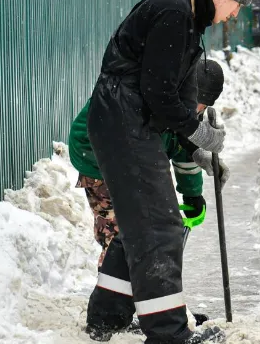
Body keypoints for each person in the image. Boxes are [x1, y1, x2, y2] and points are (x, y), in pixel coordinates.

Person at [83, 0, 256, 344]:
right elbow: (158, 92)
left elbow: (179, 93)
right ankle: (168, 333)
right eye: (237, 4)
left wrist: (198, 142)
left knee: (138, 224)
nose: (234, 14)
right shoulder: (174, 11)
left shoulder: (187, 18)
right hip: (124, 120)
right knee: (160, 228)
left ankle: (106, 318)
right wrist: (195, 129)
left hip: (126, 120)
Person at [69, 59, 229, 265]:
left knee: (147, 234)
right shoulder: (150, 91)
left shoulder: (182, 105)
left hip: (134, 158)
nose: (199, 108)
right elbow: (151, 142)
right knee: (121, 237)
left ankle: (141, 288)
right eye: (198, 100)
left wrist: (192, 194)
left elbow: (180, 142)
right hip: (96, 151)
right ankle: (114, 293)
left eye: (204, 105)